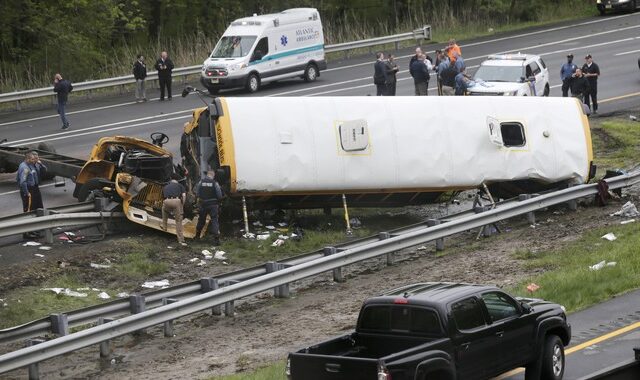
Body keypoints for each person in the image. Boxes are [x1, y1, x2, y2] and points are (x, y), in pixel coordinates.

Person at [17, 152, 47, 239]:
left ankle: (37, 228)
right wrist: (27, 193)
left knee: (39, 207)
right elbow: (23, 182)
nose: (35, 160)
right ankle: (27, 232)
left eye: (36, 159)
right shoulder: (24, 167)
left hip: (35, 189)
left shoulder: (34, 164)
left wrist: (41, 165)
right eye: (34, 159)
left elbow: (45, 171)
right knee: (29, 211)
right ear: (28, 159)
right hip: (28, 190)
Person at [195, 170, 224, 245]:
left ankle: (197, 236)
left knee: (201, 220)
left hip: (203, 204)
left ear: (207, 175)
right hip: (213, 205)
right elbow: (219, 195)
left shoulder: (201, 182)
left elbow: (197, 193)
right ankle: (216, 239)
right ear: (213, 175)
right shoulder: (215, 183)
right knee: (214, 220)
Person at [161, 179, 187, 246]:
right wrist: (182, 205)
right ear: (176, 182)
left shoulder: (166, 186)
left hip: (166, 201)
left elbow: (163, 197)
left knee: (164, 210)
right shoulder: (180, 185)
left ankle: (164, 227)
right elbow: (184, 196)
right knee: (178, 221)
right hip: (176, 201)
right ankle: (181, 240)